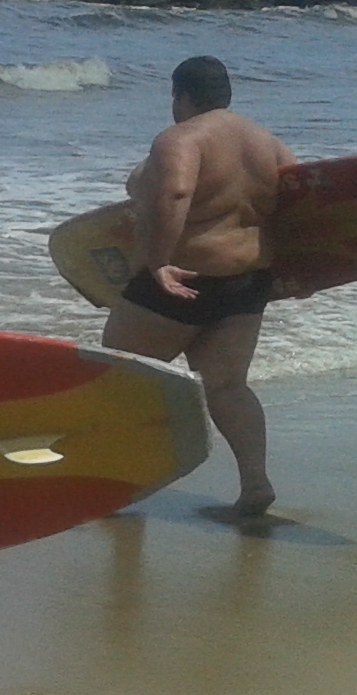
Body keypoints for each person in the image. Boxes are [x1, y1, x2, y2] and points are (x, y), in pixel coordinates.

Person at [100, 56, 297, 518]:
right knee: (228, 387)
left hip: (182, 282)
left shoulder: (181, 139)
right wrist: (297, 273)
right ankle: (256, 482)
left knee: (122, 382)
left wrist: (159, 263)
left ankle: (125, 486)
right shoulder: (268, 143)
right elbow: (299, 204)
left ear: (182, 96)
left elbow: (175, 193)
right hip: (246, 283)